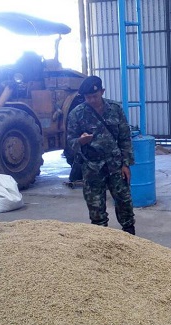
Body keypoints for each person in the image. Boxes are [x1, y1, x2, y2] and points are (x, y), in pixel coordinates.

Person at [67, 75, 136, 235]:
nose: (91, 100)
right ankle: (101, 242)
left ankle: (131, 238)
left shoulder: (115, 109)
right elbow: (70, 142)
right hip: (92, 168)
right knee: (96, 209)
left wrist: (126, 164)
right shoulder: (77, 114)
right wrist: (81, 141)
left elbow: (125, 137)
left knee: (124, 203)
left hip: (116, 166)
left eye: (94, 96)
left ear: (102, 92)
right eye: (87, 97)